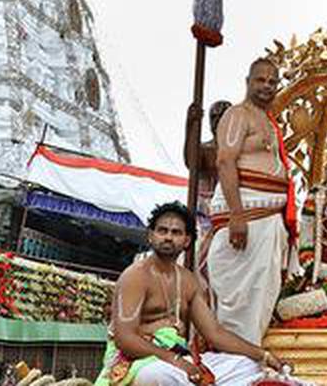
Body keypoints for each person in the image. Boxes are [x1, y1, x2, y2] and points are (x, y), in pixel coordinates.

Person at [96, 201, 285, 385]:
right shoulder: (135, 276)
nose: (168, 237)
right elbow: (125, 338)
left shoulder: (188, 280)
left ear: (186, 240)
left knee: (247, 365)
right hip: (140, 361)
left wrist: (263, 355)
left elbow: (215, 333)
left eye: (176, 232)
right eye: (162, 231)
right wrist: (176, 361)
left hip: (178, 359)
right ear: (150, 236)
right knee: (154, 375)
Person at [201, 59, 297, 344]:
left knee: (259, 292)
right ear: (247, 81)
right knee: (241, 296)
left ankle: (248, 354)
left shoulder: (268, 121)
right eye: (261, 80)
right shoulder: (237, 114)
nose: (267, 86)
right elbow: (225, 159)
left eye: (272, 81)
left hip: (267, 218)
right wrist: (237, 214)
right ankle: (235, 361)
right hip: (246, 215)